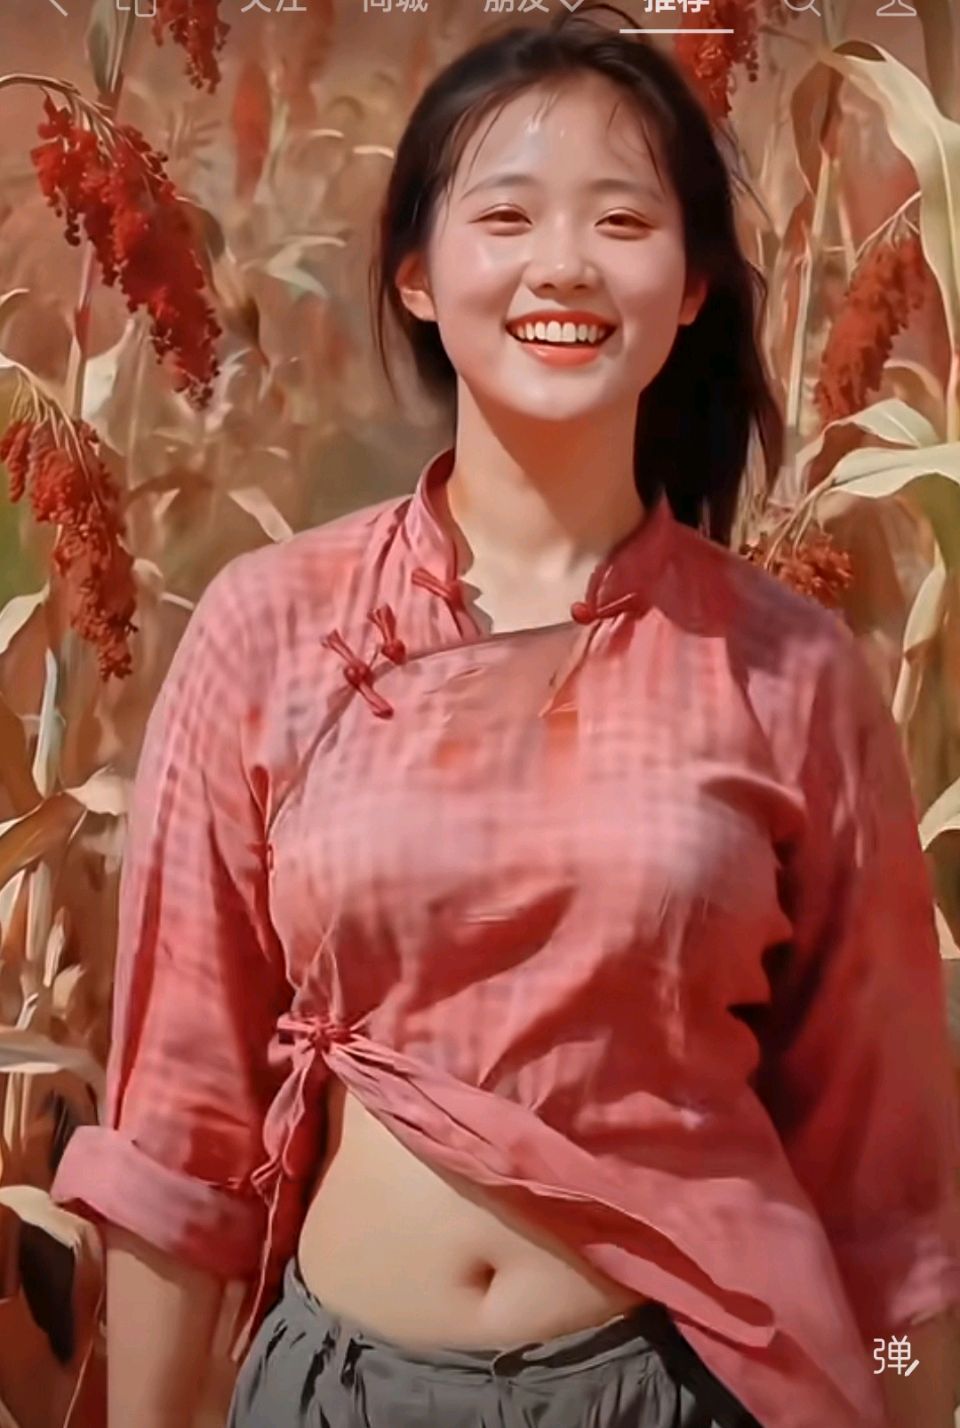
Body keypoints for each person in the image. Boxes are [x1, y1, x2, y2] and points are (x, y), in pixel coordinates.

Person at [50, 6, 960, 1427]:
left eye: (622, 220)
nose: (565, 264)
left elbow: (888, 1198)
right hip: (343, 1394)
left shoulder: (791, 671)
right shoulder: (273, 628)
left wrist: (905, 1396)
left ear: (693, 287)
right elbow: (182, 1125)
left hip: (690, 1390)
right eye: (507, 216)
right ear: (418, 274)